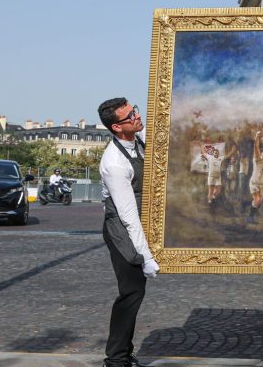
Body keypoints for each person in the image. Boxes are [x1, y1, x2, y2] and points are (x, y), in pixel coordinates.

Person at [97, 98, 159, 367]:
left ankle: (122, 354)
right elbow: (129, 217)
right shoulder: (114, 164)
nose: (137, 116)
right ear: (116, 127)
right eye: (129, 115)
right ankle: (116, 360)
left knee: (135, 292)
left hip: (138, 221)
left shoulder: (137, 136)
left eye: (135, 110)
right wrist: (145, 256)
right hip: (120, 228)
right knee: (132, 291)